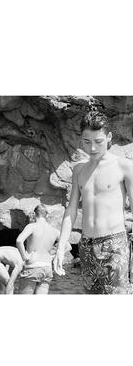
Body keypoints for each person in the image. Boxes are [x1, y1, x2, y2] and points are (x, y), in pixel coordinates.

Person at [54, 112, 133, 294]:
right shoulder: (79, 170)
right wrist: (61, 247)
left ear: (109, 137)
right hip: (86, 246)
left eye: (98, 141)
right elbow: (71, 209)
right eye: (87, 142)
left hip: (114, 245)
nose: (92, 147)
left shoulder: (124, 166)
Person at [15, 204, 60, 295]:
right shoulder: (55, 231)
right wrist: (54, 256)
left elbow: (19, 241)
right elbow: (67, 246)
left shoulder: (32, 226)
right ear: (46, 215)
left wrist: (24, 257)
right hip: (47, 267)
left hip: (33, 266)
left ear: (34, 214)